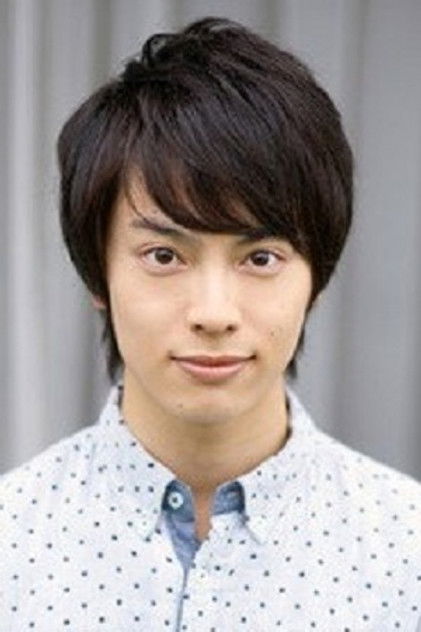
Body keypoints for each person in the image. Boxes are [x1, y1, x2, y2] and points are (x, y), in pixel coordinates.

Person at [1, 16, 420, 631]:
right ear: (97, 273)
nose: (214, 314)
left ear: (317, 277)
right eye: (164, 256)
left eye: (261, 258)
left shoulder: (405, 556)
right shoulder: (13, 543)